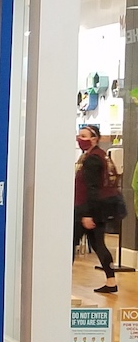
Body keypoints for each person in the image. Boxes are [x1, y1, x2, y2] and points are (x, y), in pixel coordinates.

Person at [74, 124, 121, 294]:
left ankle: (61, 282)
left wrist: (87, 214)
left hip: (86, 210)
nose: (80, 139)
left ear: (94, 139)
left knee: (71, 244)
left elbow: (91, 188)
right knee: (99, 245)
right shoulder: (101, 156)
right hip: (97, 210)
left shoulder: (92, 159)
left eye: (84, 136)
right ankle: (111, 281)